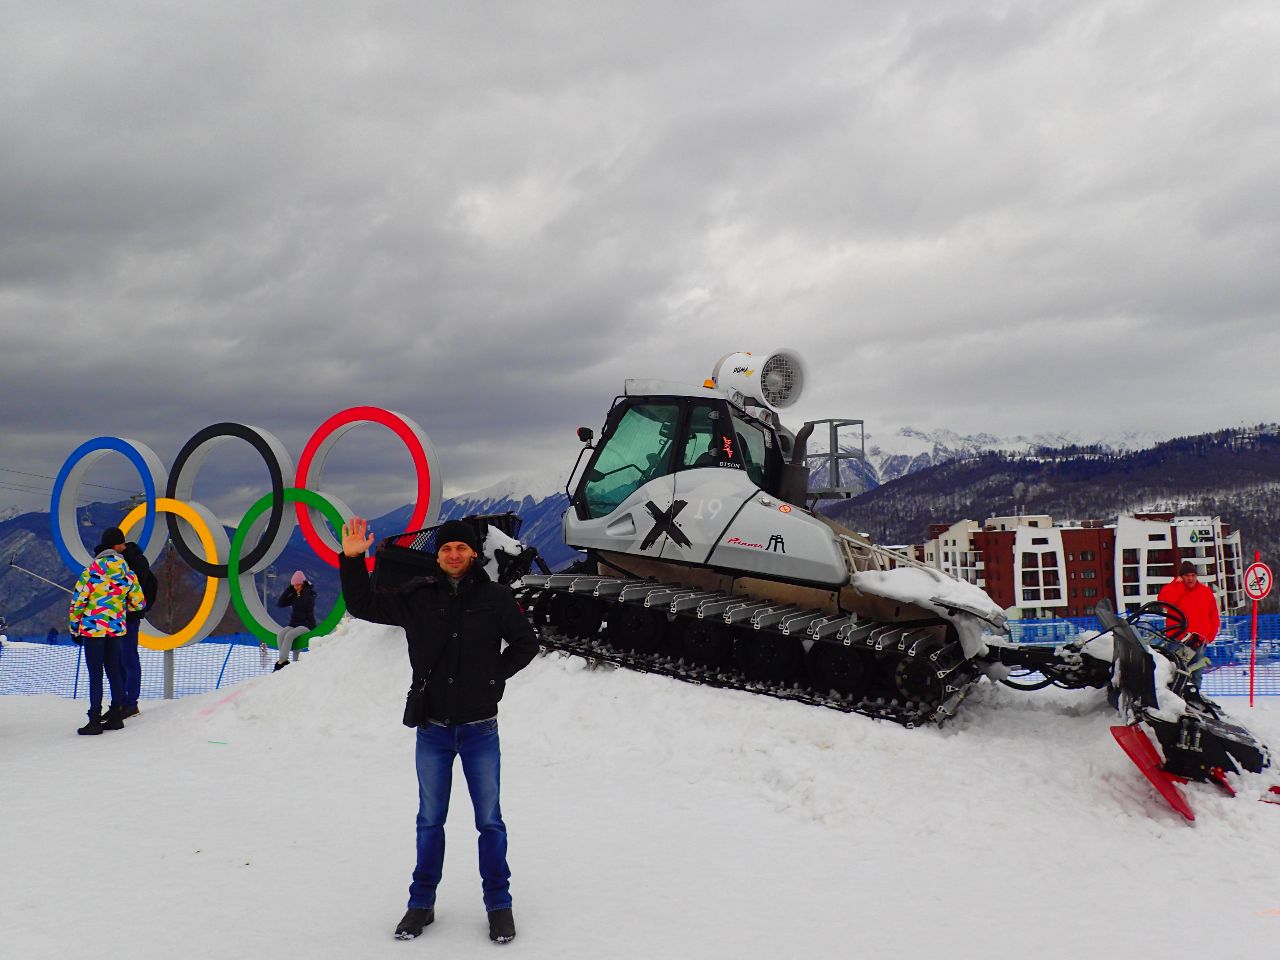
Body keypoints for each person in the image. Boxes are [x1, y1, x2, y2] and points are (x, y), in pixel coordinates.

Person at [338, 516, 539, 944]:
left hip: (480, 728)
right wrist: (353, 560)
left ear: (472, 554)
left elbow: (526, 643)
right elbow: (362, 605)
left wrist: (493, 677)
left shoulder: (497, 598)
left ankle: (499, 905)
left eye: (461, 549)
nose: (453, 554)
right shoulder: (418, 597)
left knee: (490, 821)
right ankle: (421, 904)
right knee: (430, 821)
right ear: (438, 554)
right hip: (432, 728)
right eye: (446, 548)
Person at [69, 527, 145, 735]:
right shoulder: (126, 571)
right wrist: (121, 610)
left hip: (92, 631)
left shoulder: (92, 570)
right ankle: (115, 716)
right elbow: (138, 602)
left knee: (96, 674)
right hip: (115, 629)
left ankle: (94, 719)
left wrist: (75, 628)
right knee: (114, 671)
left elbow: (78, 602)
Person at [108, 529, 158, 717]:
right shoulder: (129, 560)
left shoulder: (132, 562)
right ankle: (123, 701)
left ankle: (129, 702)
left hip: (127, 616)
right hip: (123, 616)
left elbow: (133, 589)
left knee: (127, 657)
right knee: (122, 657)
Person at [1157, 560, 1220, 687]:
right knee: (1172, 672)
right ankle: (1172, 700)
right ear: (1181, 577)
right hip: (1176, 639)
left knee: (1196, 674)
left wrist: (1210, 636)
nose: (1190, 578)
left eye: (1193, 575)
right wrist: (1178, 586)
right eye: (1186, 576)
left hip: (1199, 641)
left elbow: (1213, 615)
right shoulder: (1173, 589)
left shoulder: (1205, 592)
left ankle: (1194, 699)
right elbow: (1163, 601)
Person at [274, 570, 317, 670]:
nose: (296, 587)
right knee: (281, 635)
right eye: (294, 585)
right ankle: (289, 662)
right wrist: (289, 589)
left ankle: (282, 661)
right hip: (294, 623)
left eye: (299, 585)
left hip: (306, 624)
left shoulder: (309, 593)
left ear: (303, 584)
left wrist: (305, 589)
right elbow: (281, 603)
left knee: (290, 635)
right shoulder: (294, 595)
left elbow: (306, 604)